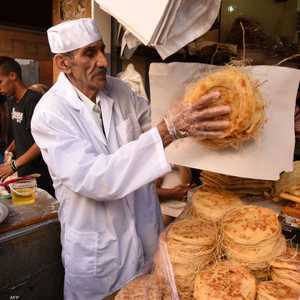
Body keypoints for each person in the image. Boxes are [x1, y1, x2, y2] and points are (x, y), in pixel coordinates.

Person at [30, 18, 231, 300]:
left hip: (145, 236)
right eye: (89, 53)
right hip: (100, 254)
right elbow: (98, 178)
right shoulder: (50, 114)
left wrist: (214, 118)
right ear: (64, 64)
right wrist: (166, 131)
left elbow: (161, 131)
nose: (102, 61)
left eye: (101, 50)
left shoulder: (120, 91)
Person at [0, 57, 54, 196]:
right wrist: (11, 148)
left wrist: (13, 166)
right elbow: (24, 131)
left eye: (0, 82)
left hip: (40, 174)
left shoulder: (34, 100)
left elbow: (42, 141)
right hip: (24, 172)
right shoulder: (12, 101)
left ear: (13, 76)